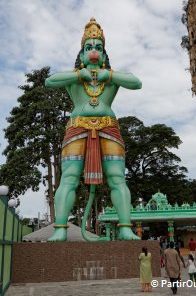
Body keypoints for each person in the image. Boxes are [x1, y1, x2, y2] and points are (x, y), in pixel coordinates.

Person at [45, 18, 142, 242]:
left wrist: (109, 75)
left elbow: (136, 83)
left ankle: (125, 227)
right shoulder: (73, 78)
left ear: (105, 55)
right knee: (69, 177)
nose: (94, 52)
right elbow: (50, 81)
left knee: (117, 177)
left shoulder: (112, 77)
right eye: (88, 48)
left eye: (98, 48)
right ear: (81, 56)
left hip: (109, 127)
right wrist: (80, 75)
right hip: (77, 127)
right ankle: (60, 229)